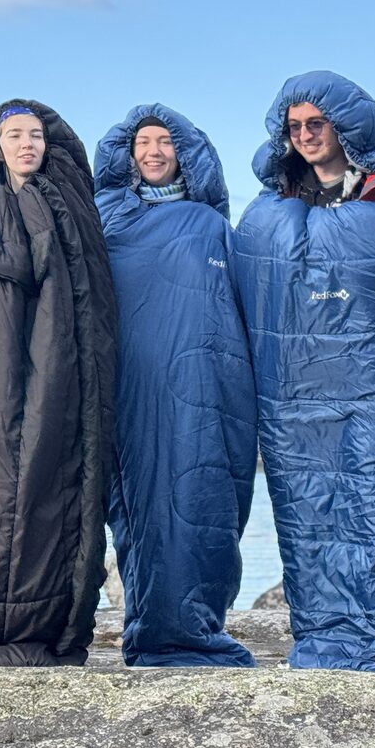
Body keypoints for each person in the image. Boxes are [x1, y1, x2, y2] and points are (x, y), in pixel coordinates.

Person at [232, 72, 375, 675]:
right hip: (297, 396)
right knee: (308, 515)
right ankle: (324, 639)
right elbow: (252, 282)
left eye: (317, 124)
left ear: (345, 128)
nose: (306, 136)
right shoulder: (272, 209)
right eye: (295, 127)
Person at [0, 100, 117, 666]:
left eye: (35, 135)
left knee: (55, 486)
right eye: (14, 134)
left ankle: (49, 625)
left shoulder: (70, 203)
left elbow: (94, 298)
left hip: (63, 375)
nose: (26, 144)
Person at [94, 105, 257, 667]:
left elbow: (240, 308)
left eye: (165, 141)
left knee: (205, 499)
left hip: (207, 386)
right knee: (139, 508)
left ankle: (197, 627)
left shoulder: (212, 226)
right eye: (143, 142)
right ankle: (153, 630)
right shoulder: (105, 220)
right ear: (127, 155)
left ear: (186, 154)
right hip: (132, 386)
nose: (154, 151)